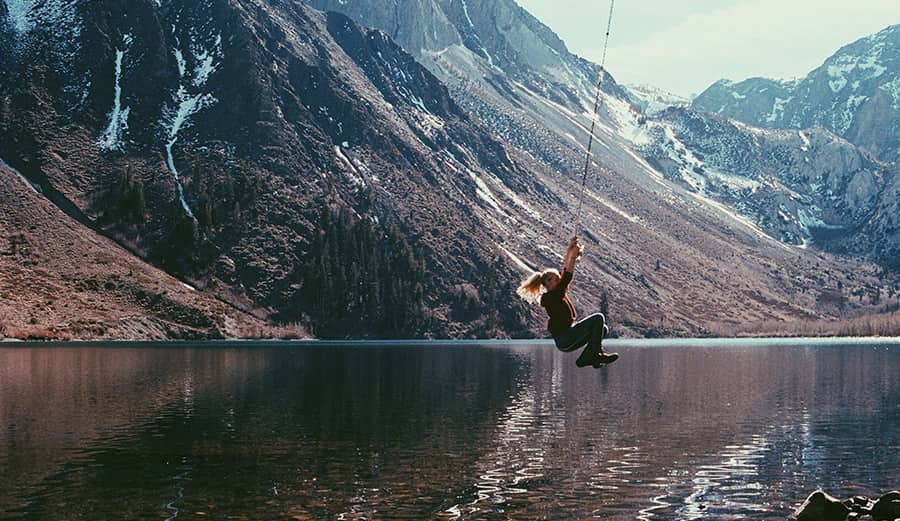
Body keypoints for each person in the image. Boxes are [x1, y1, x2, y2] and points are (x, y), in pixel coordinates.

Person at [516, 236, 618, 368]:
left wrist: (570, 251)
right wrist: (573, 257)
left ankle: (588, 357)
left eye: (557, 278)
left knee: (603, 329)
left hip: (568, 339)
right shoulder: (552, 296)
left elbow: (565, 271)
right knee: (599, 318)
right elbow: (567, 275)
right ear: (546, 284)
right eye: (554, 279)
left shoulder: (556, 293)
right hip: (566, 338)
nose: (558, 280)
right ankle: (594, 355)